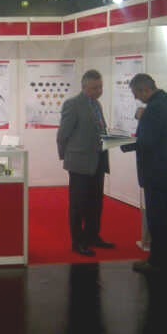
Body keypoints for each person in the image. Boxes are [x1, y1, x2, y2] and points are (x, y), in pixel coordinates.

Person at [122, 73, 167, 274]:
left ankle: (157, 261)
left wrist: (123, 142)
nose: (135, 98)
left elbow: (147, 141)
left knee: (157, 218)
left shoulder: (153, 109)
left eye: (136, 93)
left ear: (145, 90)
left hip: (155, 172)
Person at [57, 69, 115, 257]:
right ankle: (78, 242)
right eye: (94, 88)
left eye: (100, 87)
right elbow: (63, 135)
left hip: (98, 160)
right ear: (84, 87)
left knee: (96, 202)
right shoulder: (73, 104)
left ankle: (93, 236)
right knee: (78, 204)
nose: (99, 91)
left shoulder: (97, 104)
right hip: (79, 163)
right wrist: (66, 157)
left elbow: (100, 130)